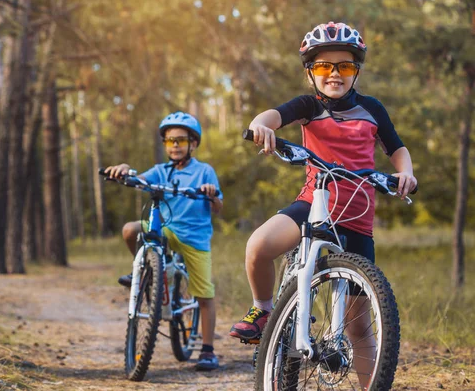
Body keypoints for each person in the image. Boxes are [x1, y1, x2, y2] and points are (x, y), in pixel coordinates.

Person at [228, 22, 418, 388]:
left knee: (361, 324)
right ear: (310, 73)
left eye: (344, 66)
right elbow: (271, 117)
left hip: (358, 220)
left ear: (356, 71)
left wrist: (405, 173)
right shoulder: (308, 106)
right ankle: (264, 310)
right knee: (258, 246)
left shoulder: (372, 109)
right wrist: (261, 126)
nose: (334, 73)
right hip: (313, 205)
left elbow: (396, 149)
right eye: (323, 66)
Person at [105, 111, 224, 371]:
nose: (176, 145)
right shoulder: (161, 171)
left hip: (194, 237)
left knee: (204, 294)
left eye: (181, 140)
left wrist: (210, 193)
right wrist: (125, 170)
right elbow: (140, 179)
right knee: (129, 229)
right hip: (166, 230)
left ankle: (207, 350)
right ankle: (145, 271)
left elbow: (218, 207)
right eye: (170, 141)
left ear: (193, 143)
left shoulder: (205, 171)